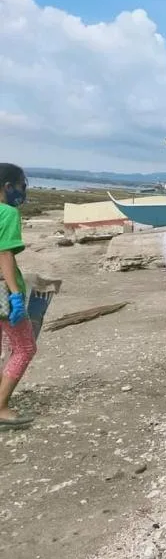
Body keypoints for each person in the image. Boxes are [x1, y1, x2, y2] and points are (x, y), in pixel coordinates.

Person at [0, 163, 37, 429]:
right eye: (22, 185)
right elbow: (4, 253)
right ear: (8, 186)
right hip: (3, 291)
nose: (23, 191)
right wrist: (15, 295)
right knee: (25, 347)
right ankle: (0, 407)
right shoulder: (8, 213)